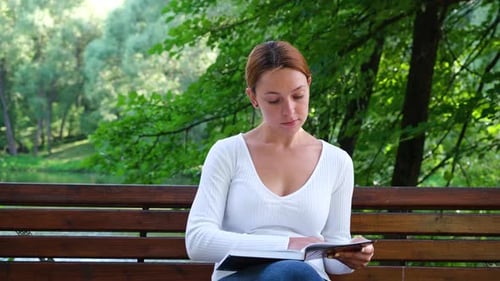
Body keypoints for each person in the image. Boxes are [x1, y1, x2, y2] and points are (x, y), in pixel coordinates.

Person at [185, 40, 374, 281]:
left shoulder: (337, 161)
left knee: (295, 273)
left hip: (306, 277)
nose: (290, 111)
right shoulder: (228, 152)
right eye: (274, 100)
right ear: (253, 98)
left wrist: (349, 255)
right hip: (241, 276)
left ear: (309, 85)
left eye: (298, 96)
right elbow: (198, 241)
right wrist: (289, 244)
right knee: (290, 271)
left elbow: (332, 258)